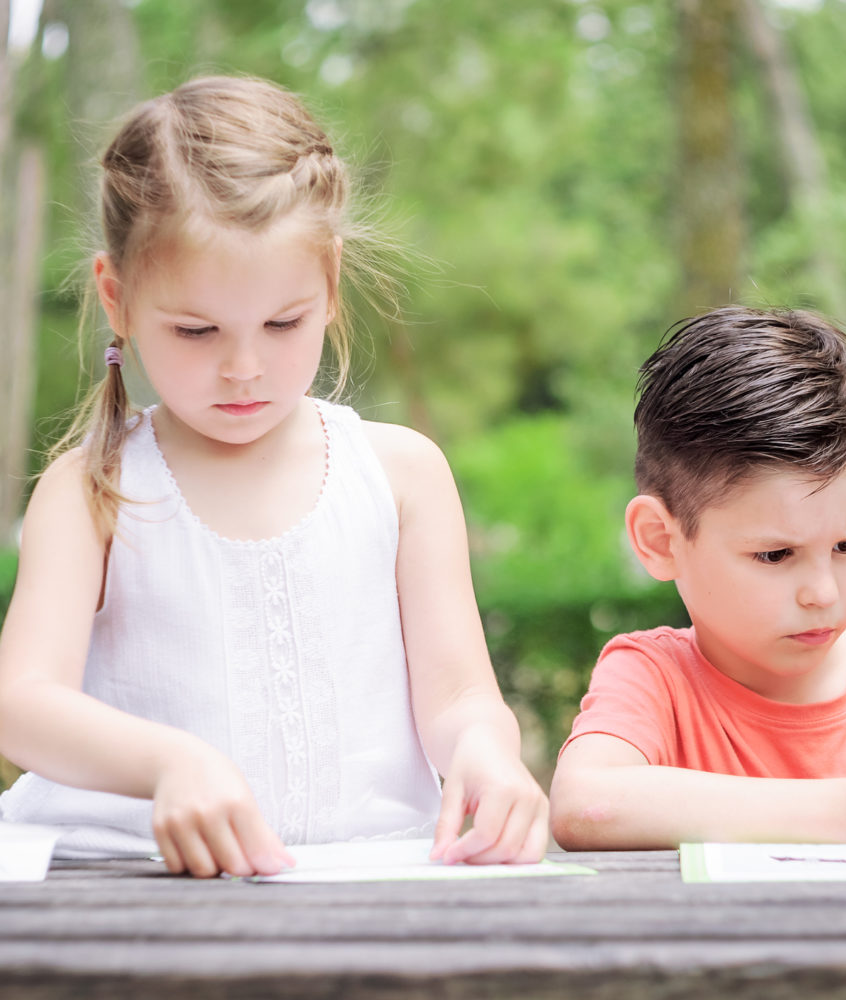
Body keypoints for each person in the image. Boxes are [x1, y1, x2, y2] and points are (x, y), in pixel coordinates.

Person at [0, 75, 547, 877]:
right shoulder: (90, 491)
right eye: (196, 330)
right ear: (116, 298)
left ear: (328, 283)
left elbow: (460, 698)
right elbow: (20, 703)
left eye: (282, 323)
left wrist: (488, 753)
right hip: (120, 884)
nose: (243, 368)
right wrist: (168, 763)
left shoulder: (401, 476)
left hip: (372, 882)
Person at [550, 305, 846, 850]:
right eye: (775, 555)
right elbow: (586, 805)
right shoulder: (655, 680)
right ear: (660, 540)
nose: (824, 594)